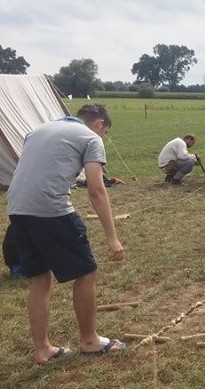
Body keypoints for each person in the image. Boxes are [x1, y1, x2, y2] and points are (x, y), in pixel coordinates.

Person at [6, 104, 125, 364]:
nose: (103, 136)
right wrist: (112, 237)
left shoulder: (37, 131)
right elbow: (96, 188)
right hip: (50, 208)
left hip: (17, 208)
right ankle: (90, 341)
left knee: (40, 278)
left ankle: (43, 349)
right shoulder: (91, 138)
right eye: (105, 131)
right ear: (100, 124)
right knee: (87, 271)